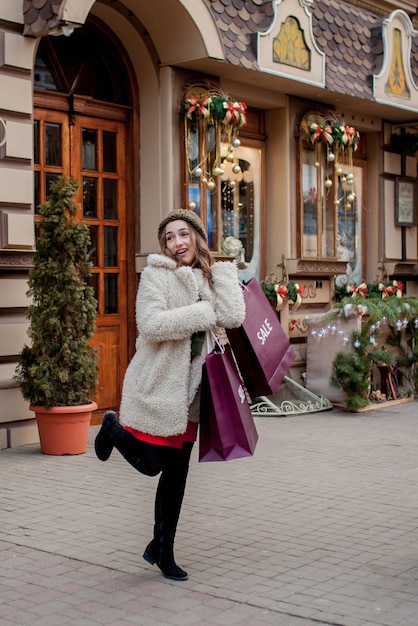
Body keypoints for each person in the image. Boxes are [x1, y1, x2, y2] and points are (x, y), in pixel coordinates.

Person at [94, 209, 246, 581]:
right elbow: (151, 324)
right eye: (169, 238)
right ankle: (112, 426)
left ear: (196, 235)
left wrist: (224, 271)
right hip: (160, 386)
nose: (178, 244)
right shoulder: (155, 277)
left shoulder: (209, 275)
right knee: (151, 463)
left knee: (176, 477)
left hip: (193, 392)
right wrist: (200, 312)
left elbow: (233, 315)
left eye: (183, 235)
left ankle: (163, 551)